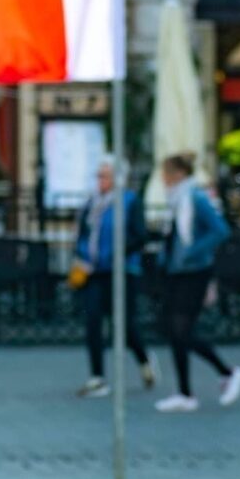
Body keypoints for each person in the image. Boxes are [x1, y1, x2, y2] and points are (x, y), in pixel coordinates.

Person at [154, 152, 240, 413]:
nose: (163, 179)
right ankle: (184, 392)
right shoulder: (175, 201)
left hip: (194, 272)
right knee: (173, 331)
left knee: (182, 329)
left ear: (179, 174)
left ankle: (228, 371)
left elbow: (220, 230)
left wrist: (193, 250)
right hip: (175, 272)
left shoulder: (194, 197)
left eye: (166, 174)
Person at [71, 155, 157, 398]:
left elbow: (140, 235)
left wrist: (119, 253)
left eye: (105, 176)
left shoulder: (129, 201)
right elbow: (84, 234)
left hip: (122, 271)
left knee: (124, 325)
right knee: (93, 321)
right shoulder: (92, 203)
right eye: (98, 175)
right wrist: (80, 255)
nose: (100, 180)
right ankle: (97, 377)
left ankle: (144, 359)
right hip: (93, 271)